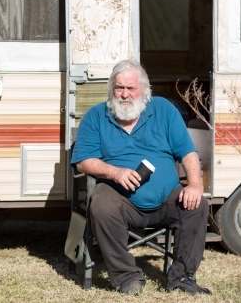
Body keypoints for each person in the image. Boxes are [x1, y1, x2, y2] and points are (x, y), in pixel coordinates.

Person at [71, 59, 211, 295]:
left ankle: (182, 278)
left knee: (198, 205)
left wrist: (195, 184)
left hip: (167, 197)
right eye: (119, 88)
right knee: (101, 204)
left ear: (143, 90)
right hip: (120, 199)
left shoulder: (164, 110)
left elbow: (188, 152)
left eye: (131, 88)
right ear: (111, 89)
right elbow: (83, 160)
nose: (124, 94)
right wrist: (114, 172)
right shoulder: (96, 116)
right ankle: (127, 277)